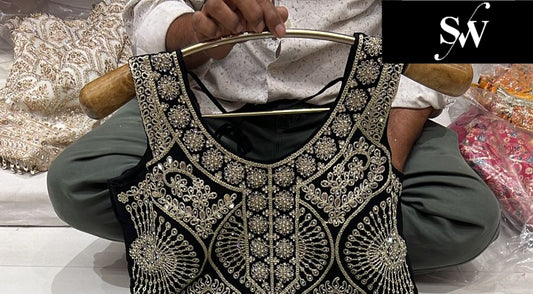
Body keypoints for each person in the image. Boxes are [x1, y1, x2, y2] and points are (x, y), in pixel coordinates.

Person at [46, 0, 501, 273]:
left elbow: (431, 37)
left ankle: (211, 243)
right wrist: (199, 30)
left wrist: (378, 172)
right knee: (80, 186)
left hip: (353, 109)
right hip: (204, 104)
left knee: (461, 220)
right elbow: (149, 11)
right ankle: (322, 246)